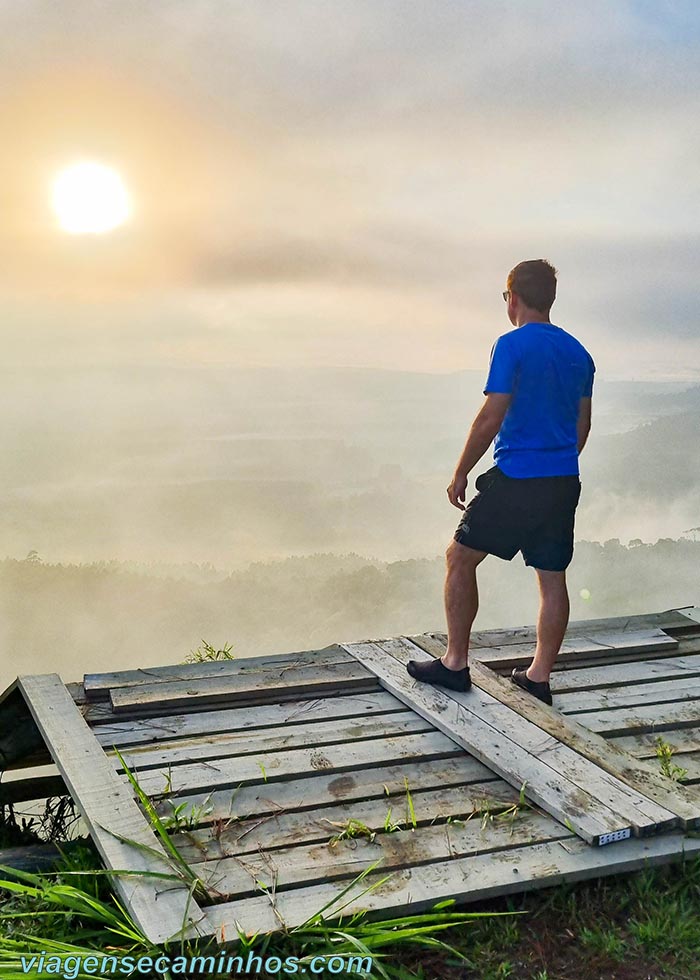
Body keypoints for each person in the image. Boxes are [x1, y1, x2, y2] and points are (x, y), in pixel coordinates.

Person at [407, 259, 595, 705]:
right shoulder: (579, 353)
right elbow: (581, 427)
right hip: (563, 478)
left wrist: (460, 470)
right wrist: (556, 464)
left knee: (459, 557)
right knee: (552, 578)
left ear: (513, 297)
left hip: (517, 479)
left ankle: (455, 663)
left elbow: (492, 414)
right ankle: (538, 677)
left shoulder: (511, 345)